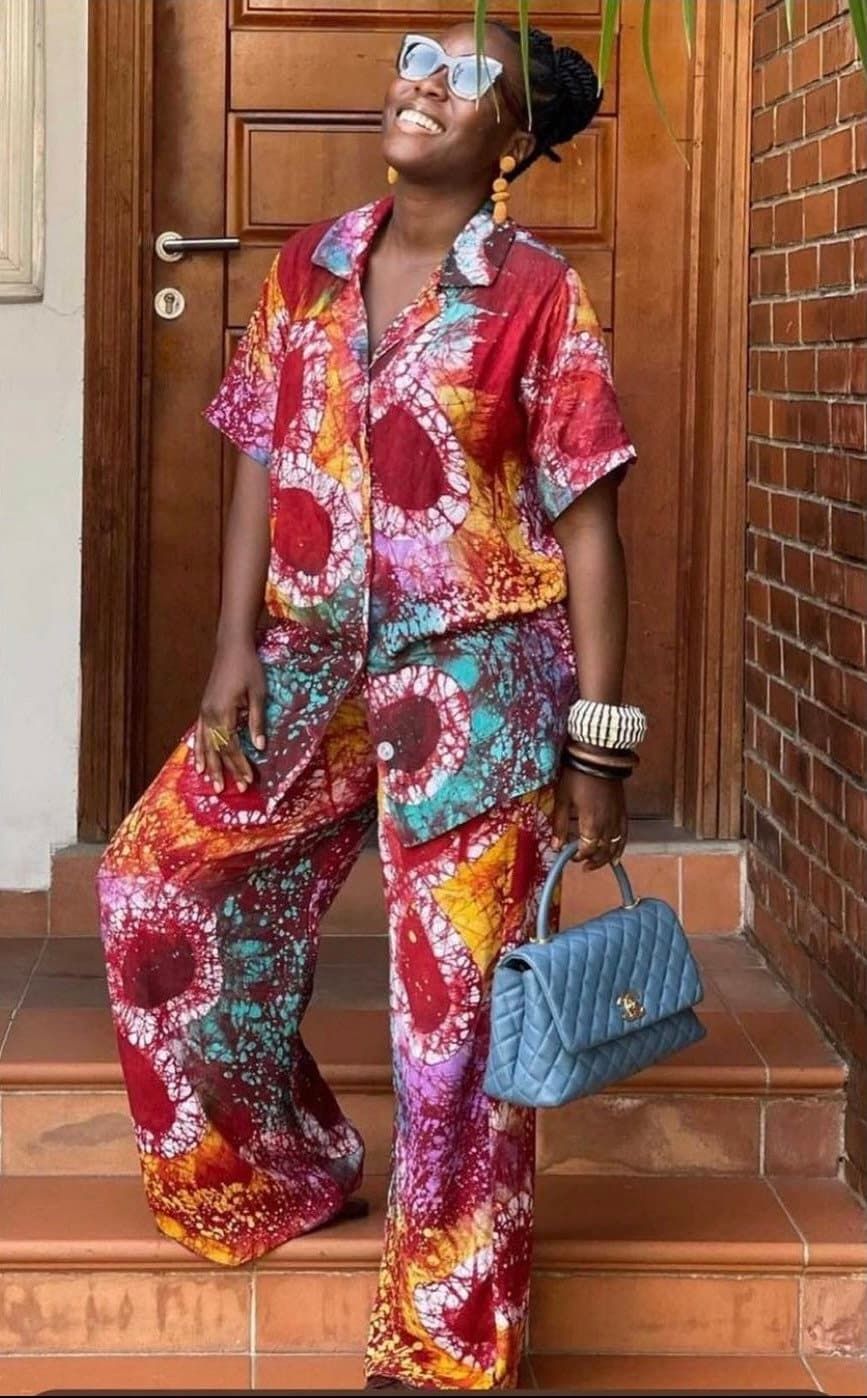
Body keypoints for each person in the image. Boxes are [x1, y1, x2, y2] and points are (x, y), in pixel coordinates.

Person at [97, 19, 644, 1393]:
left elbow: (588, 521)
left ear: (512, 137)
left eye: (466, 78)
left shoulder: (539, 294)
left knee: (452, 1016)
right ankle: (282, 1163)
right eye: (416, 58)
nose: (424, 85)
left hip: (478, 682)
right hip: (306, 658)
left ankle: (448, 1336)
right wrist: (232, 644)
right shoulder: (309, 263)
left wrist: (598, 743)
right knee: (153, 884)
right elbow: (259, 450)